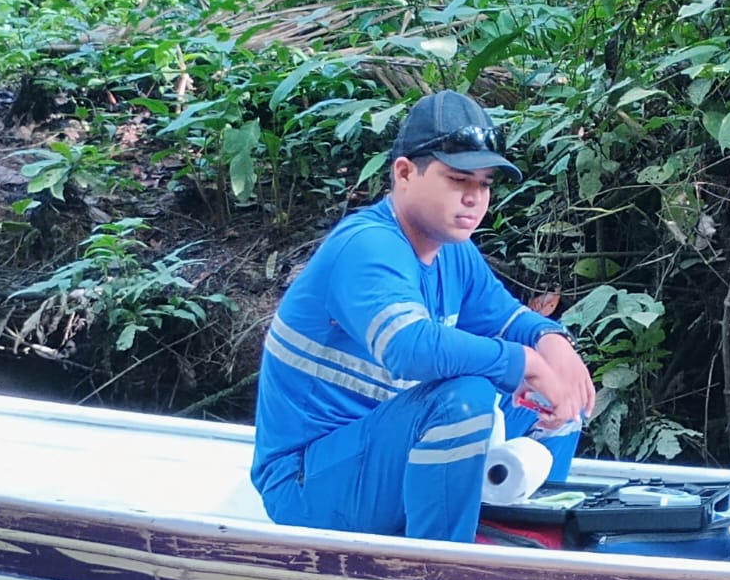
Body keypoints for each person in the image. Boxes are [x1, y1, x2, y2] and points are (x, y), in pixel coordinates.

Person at [250, 90, 596, 543]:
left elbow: (509, 318)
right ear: (404, 173)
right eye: (458, 180)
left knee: (559, 393)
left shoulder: (455, 252)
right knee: (465, 398)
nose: (475, 199)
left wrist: (554, 343)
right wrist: (526, 363)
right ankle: (443, 566)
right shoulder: (367, 245)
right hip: (307, 484)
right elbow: (409, 348)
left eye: (484, 184)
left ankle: (528, 537)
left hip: (386, 457)